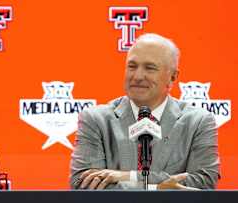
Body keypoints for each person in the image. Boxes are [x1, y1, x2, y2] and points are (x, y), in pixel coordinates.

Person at [69, 33, 220, 190]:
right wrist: (157, 189)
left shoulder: (198, 122)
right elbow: (81, 185)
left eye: (150, 68)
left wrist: (130, 176)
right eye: (132, 66)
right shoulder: (95, 119)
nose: (138, 76)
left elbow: (205, 182)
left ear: (172, 77)